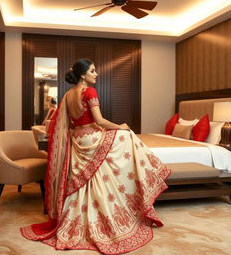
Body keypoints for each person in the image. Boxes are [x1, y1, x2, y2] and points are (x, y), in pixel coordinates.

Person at [20, 59, 171, 254]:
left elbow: (72, 125)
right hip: (91, 138)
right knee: (128, 136)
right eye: (92, 71)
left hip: (78, 141)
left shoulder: (67, 95)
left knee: (94, 171)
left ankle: (83, 213)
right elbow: (99, 120)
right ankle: (142, 180)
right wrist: (120, 127)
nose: (96, 74)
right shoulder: (89, 92)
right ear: (83, 75)